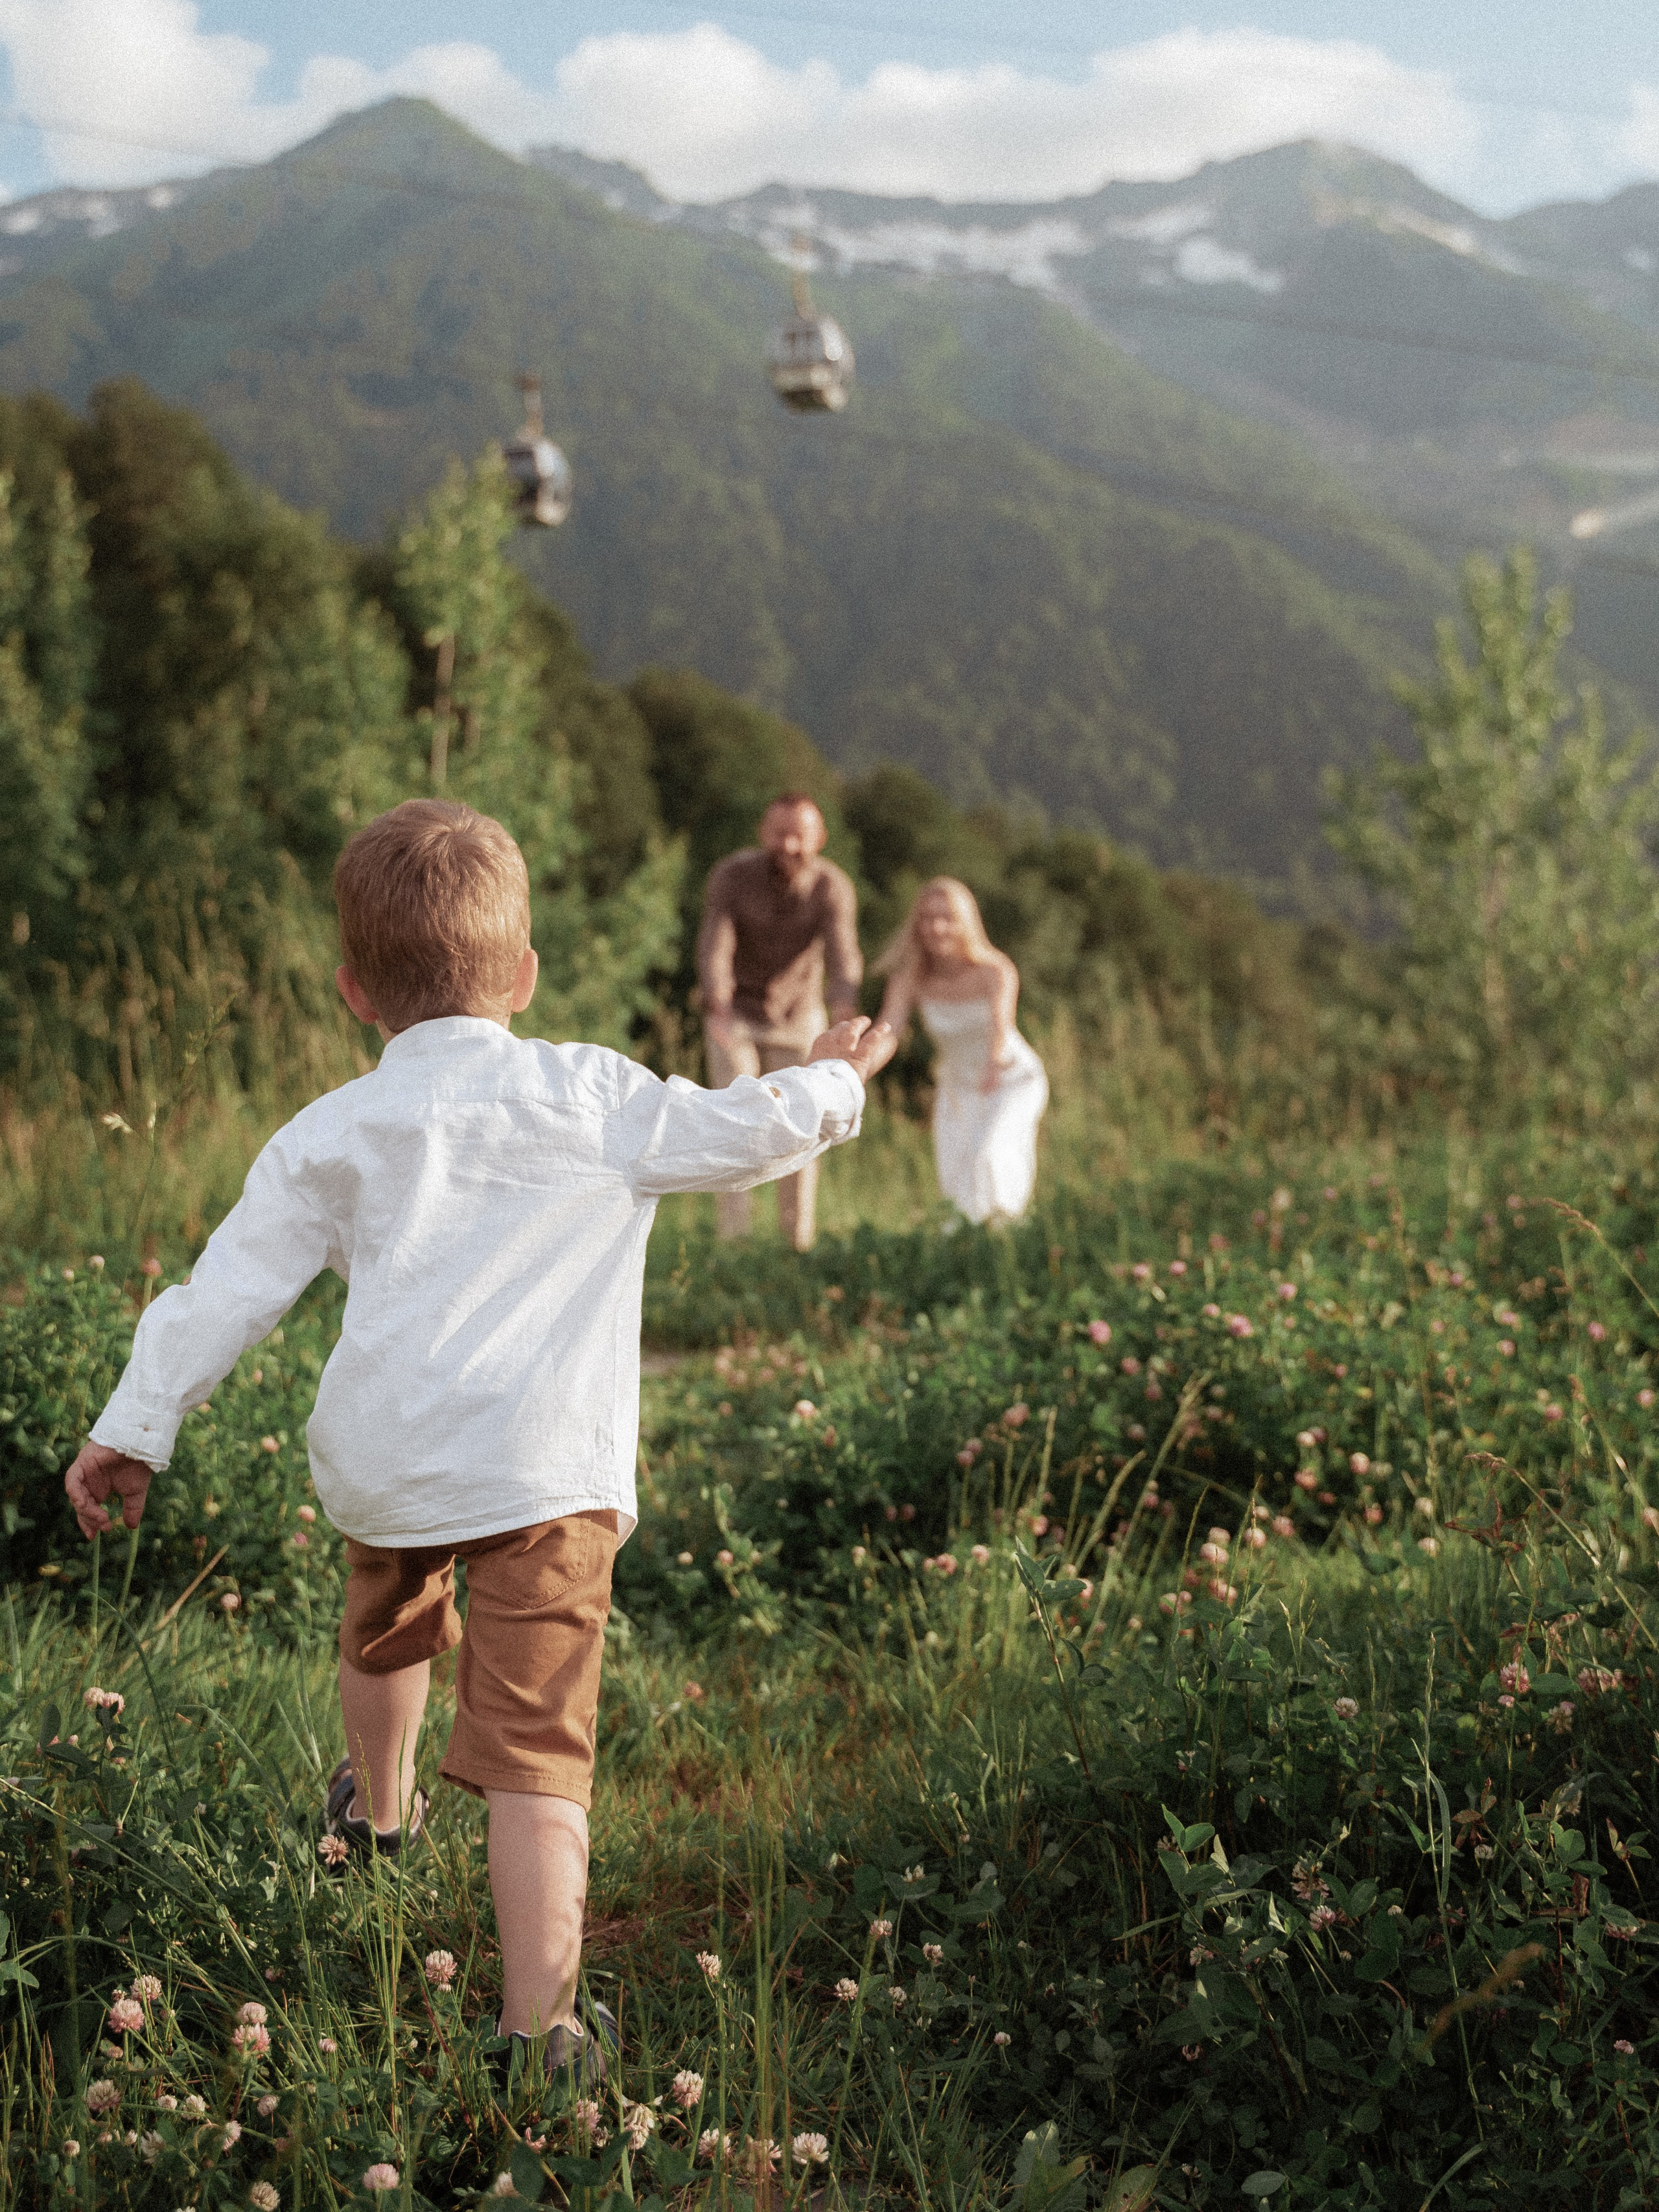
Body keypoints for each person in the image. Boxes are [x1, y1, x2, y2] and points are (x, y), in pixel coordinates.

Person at [61, 798, 894, 2078]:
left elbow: (226, 1288)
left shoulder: (327, 1131)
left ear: (354, 991)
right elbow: (747, 1131)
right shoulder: (596, 1090)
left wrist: (137, 1422)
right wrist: (837, 1070)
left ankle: (377, 1813)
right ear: (524, 975)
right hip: (543, 1471)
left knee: (386, 1620)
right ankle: (537, 2026)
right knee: (535, 1748)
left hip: (387, 1459)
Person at [697, 792, 863, 1250]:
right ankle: (736, 1240)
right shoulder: (732, 875)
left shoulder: (832, 886)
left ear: (820, 839)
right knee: (736, 1115)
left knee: (803, 1122)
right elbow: (716, 943)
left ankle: (797, 1243)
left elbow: (844, 954)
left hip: (801, 1014)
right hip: (738, 1014)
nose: (789, 845)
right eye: (780, 834)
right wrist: (718, 1000)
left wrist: (844, 1009)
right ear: (763, 833)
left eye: (801, 836)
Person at [875, 876, 1047, 1226]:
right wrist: (857, 1065)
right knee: (958, 1183)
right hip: (957, 1088)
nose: (937, 928)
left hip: (1009, 1079)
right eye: (926, 918)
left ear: (966, 921)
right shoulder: (909, 978)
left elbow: (1001, 1025)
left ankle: (1006, 1242)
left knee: (993, 1158)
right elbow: (888, 1029)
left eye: (948, 918)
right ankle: (968, 1259)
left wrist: (993, 1065)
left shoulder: (995, 969)